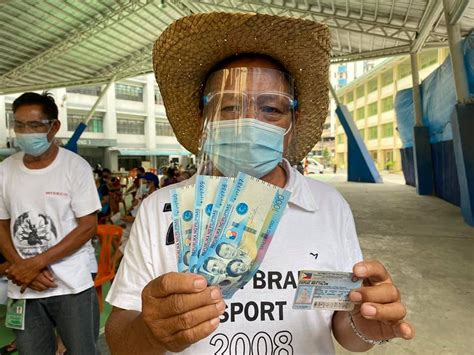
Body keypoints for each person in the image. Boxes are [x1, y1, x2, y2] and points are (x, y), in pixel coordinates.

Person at [105, 13, 414, 354]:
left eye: (271, 109)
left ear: (291, 125)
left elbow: (343, 324)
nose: (249, 122)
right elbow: (120, 338)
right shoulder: (160, 209)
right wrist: (152, 332)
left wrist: (366, 323)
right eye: (229, 107)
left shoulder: (328, 205)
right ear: (202, 121)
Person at [0, 92, 101, 354]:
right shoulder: (5, 170)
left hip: (70, 285)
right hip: (23, 289)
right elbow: (1, 226)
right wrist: (22, 268)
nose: (25, 132)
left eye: (34, 125)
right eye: (19, 125)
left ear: (54, 126)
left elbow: (87, 225)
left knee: (82, 350)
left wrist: (34, 264)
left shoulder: (74, 167)